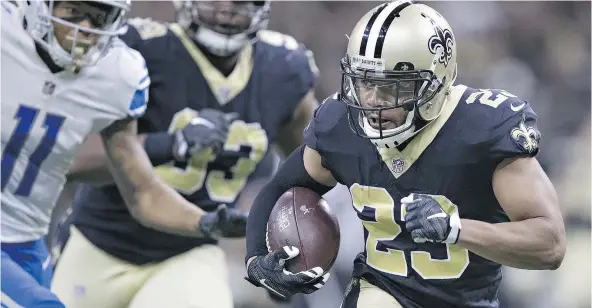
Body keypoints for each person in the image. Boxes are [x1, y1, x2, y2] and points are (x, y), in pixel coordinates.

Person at [244, 1, 567, 307]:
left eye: (392, 86)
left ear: (435, 82)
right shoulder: (340, 125)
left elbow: (549, 244)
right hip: (382, 290)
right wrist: (258, 257)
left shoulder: (482, 127)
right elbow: (280, 188)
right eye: (364, 82)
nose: (372, 100)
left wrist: (455, 229)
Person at [50, 1, 319, 307]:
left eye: (242, 1)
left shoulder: (284, 69)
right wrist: (170, 145)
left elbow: (311, 168)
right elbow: (71, 158)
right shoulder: (138, 50)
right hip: (97, 244)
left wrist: (288, 244)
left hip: (190, 252)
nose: (228, 9)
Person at [1, 1, 244, 307]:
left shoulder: (116, 76)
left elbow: (141, 191)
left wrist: (204, 221)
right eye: (74, 12)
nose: (85, 29)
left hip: (26, 241)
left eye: (99, 17)